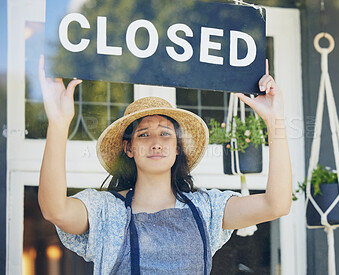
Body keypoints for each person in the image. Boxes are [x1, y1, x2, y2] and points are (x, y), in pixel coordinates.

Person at [38, 55, 292, 274]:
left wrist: (275, 119)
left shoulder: (207, 210)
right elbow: (55, 210)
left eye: (165, 133)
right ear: (129, 148)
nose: (156, 143)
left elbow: (276, 204)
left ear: (178, 147)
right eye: (144, 135)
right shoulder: (106, 212)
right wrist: (58, 123)